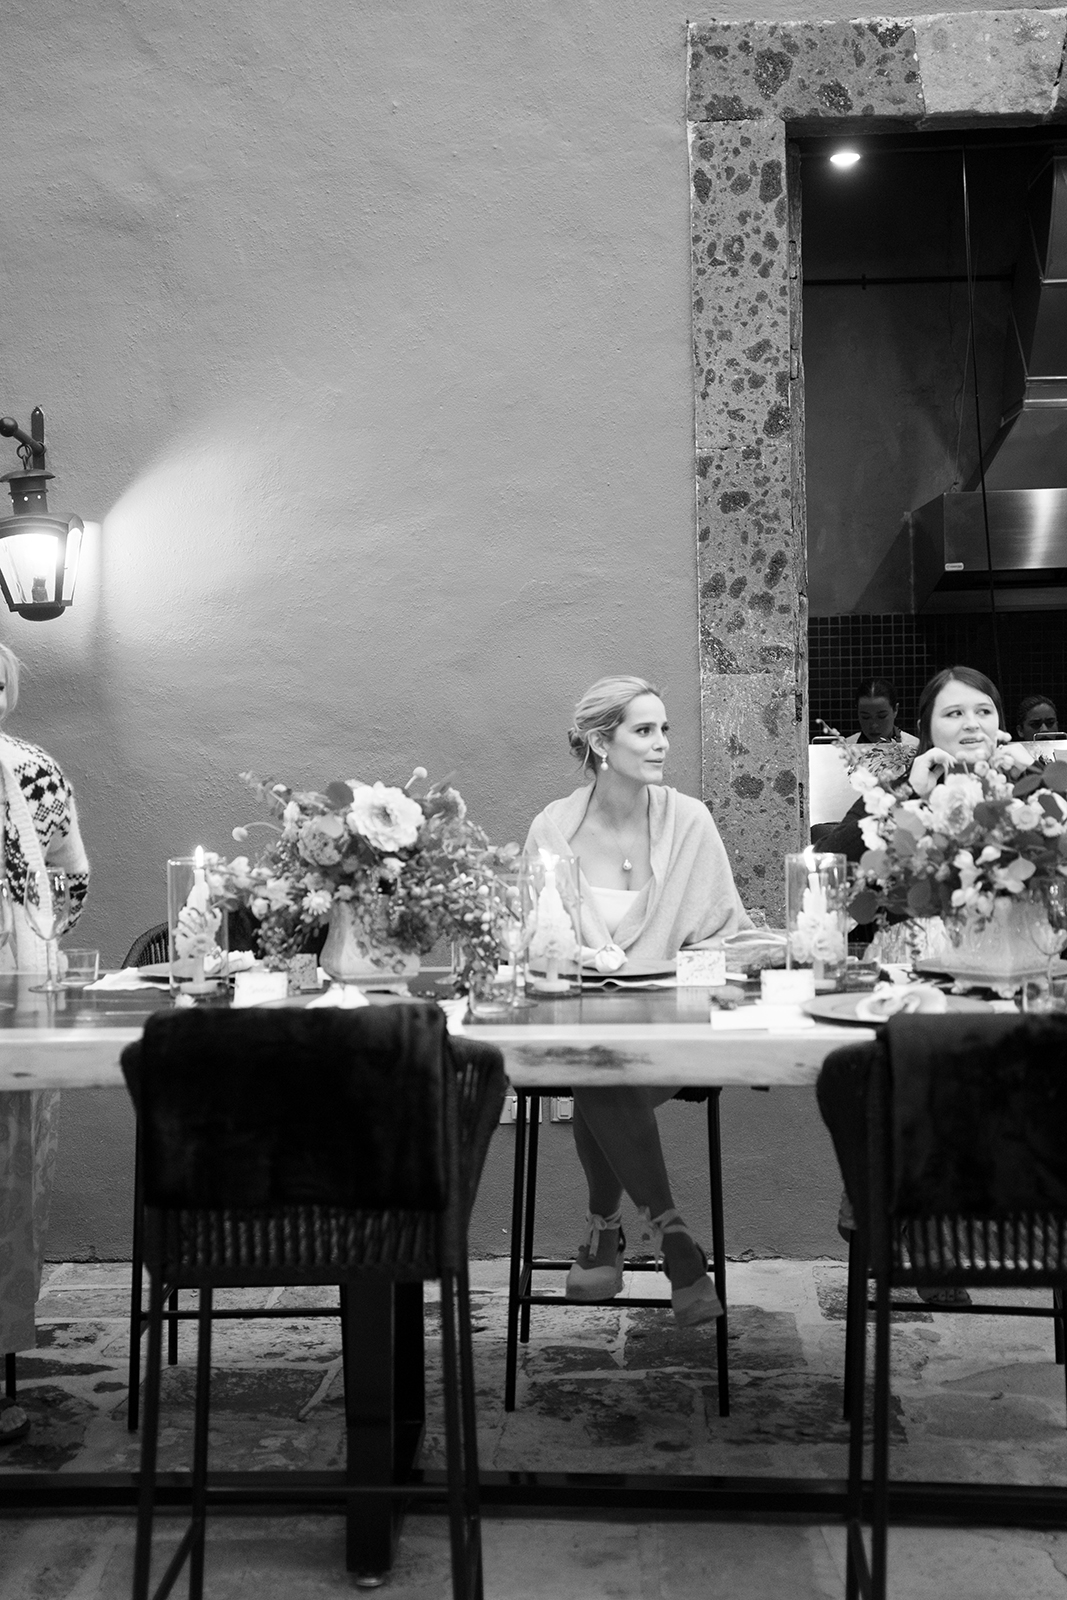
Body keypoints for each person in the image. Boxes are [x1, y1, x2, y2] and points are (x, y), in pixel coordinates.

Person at [524, 675, 750, 1326]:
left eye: (664, 729)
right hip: (575, 1021)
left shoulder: (690, 821)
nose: (660, 745)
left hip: (676, 1024)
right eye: (643, 730)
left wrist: (675, 978)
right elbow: (531, 940)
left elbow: (725, 940)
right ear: (600, 742)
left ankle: (605, 1229)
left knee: (601, 1069)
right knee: (598, 1059)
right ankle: (672, 1236)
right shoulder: (552, 827)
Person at [0, 643, 90, 1441]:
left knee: (9, 1173)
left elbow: (69, 871)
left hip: (16, 988)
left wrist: (33, 933)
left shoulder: (31, 769)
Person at [843, 677, 918, 749]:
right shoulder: (845, 749)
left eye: (881, 716)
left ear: (895, 710)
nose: (874, 725)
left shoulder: (915, 747)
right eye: (865, 717)